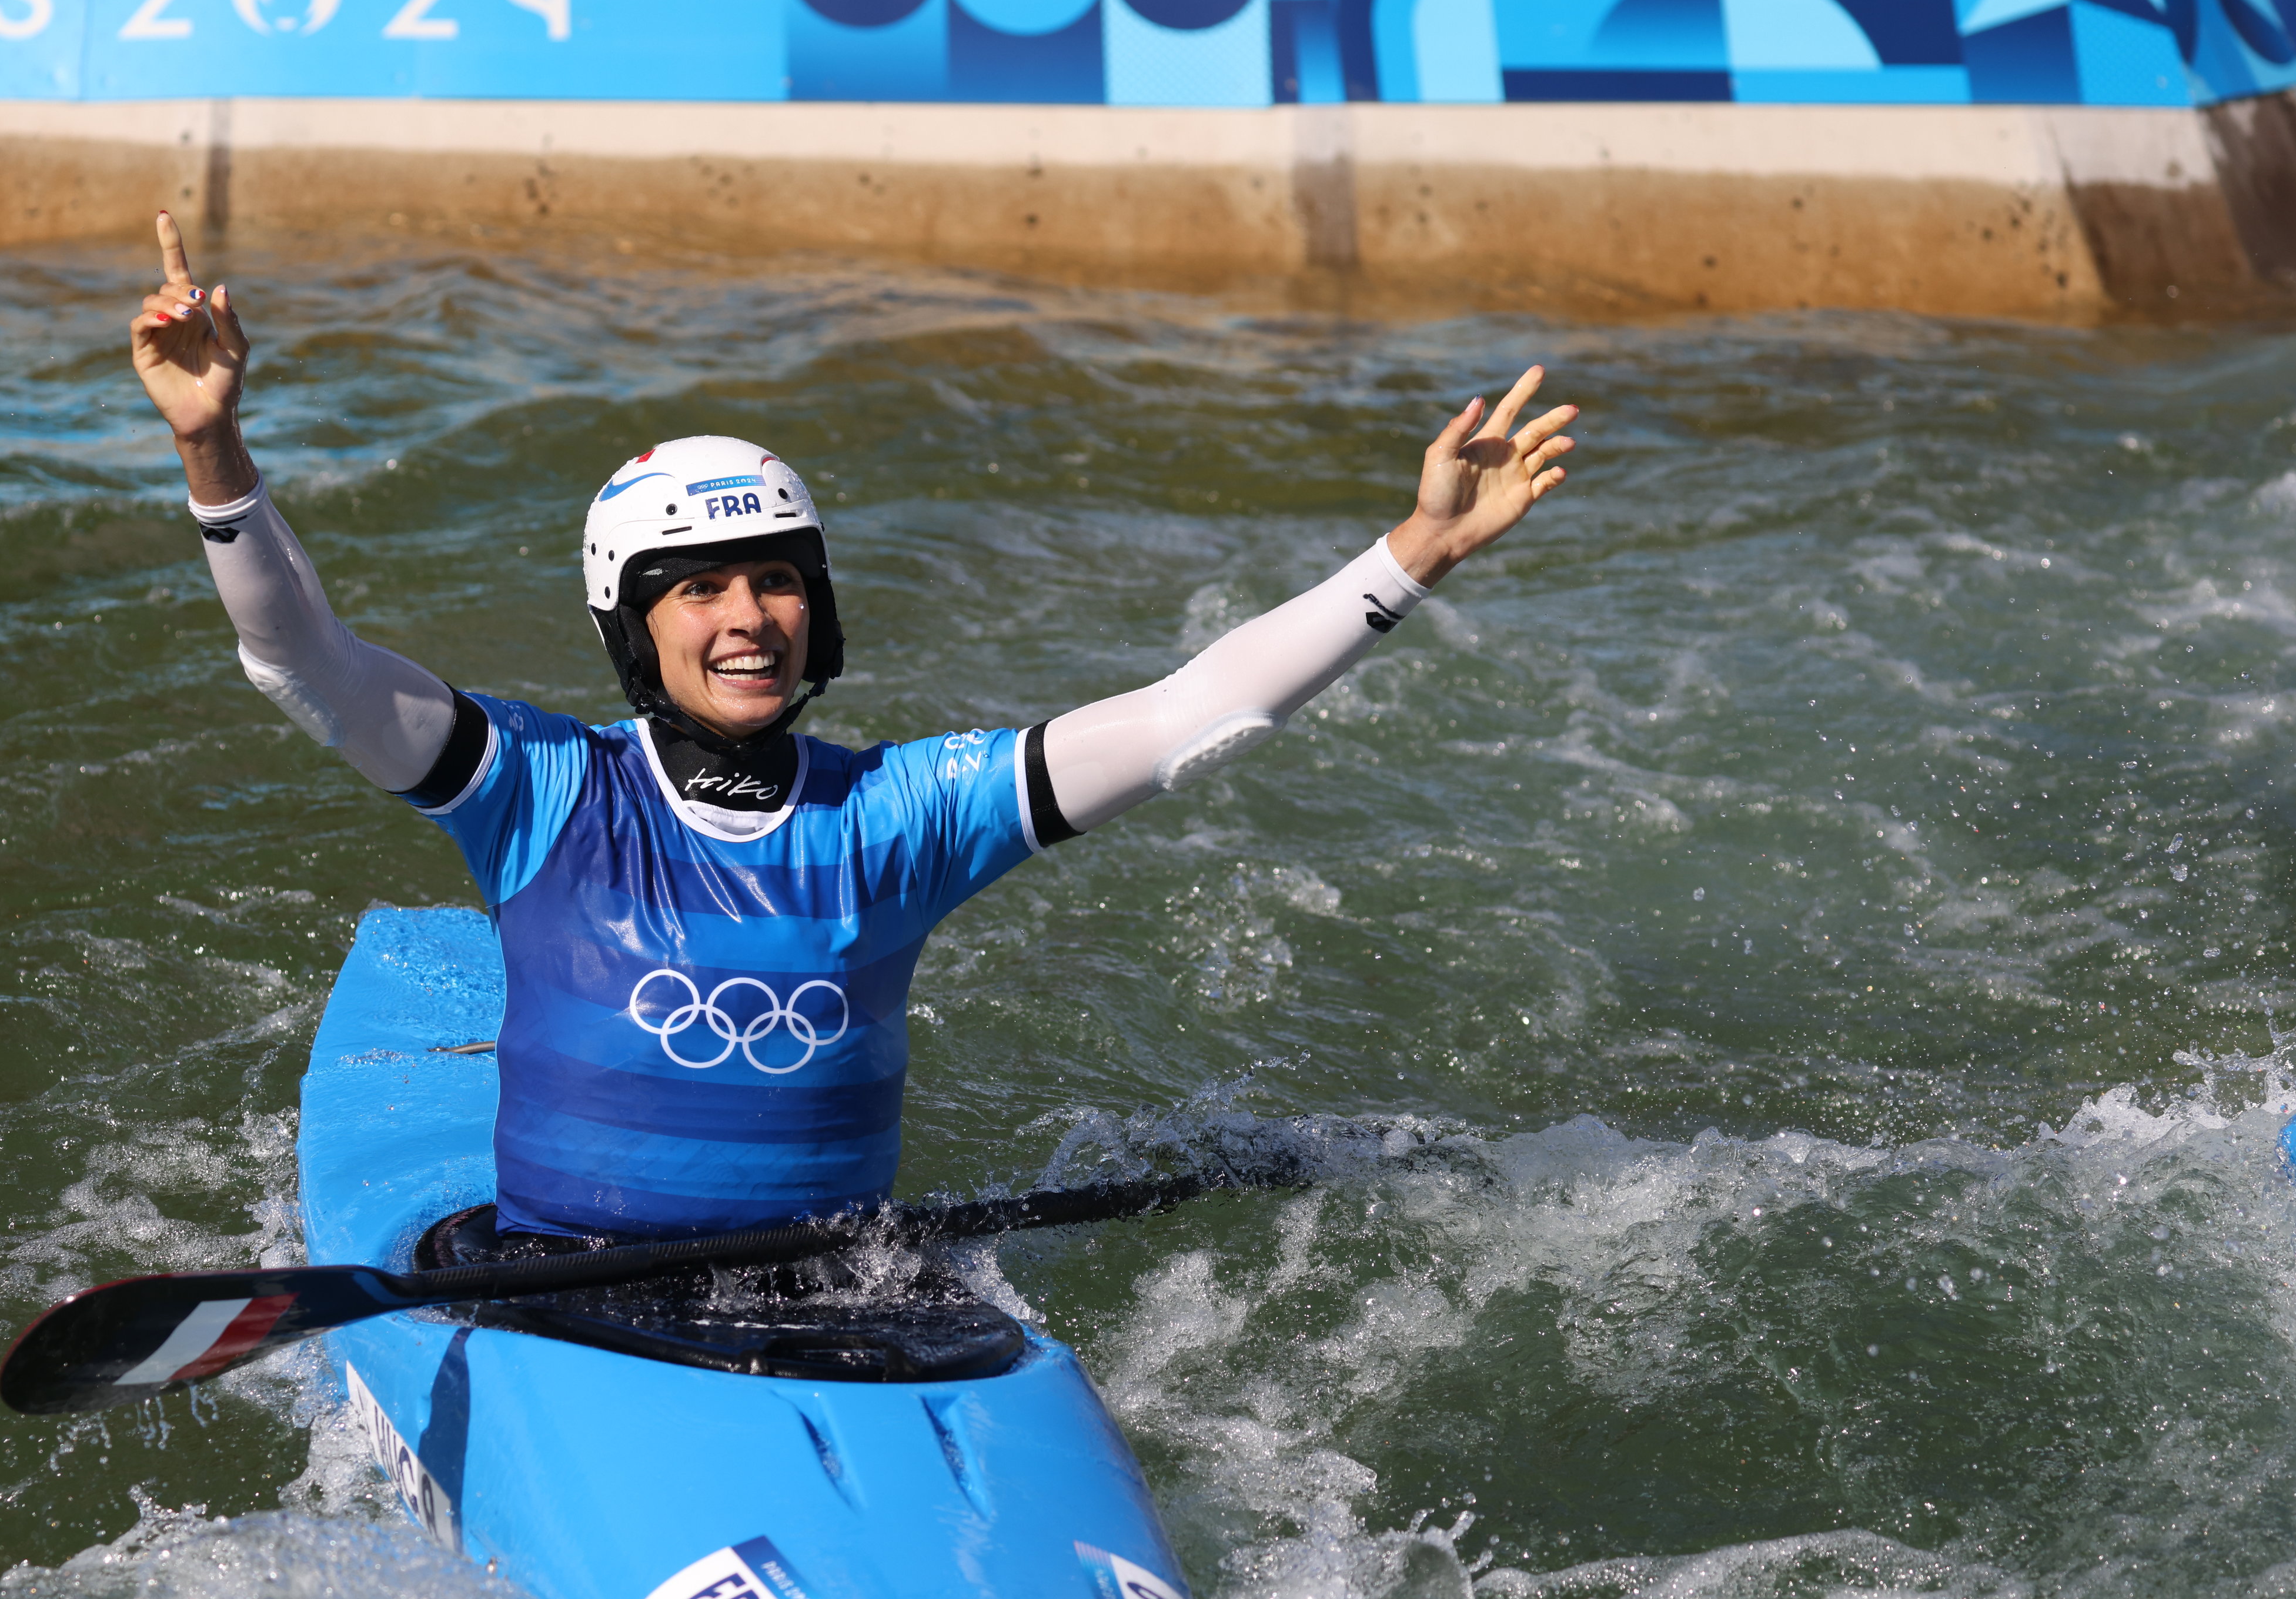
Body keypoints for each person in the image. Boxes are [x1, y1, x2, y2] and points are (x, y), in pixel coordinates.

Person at [129, 211, 1576, 1243]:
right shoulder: (541, 794)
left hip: (835, 1291)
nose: (746, 615)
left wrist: (1414, 554)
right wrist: (214, 447)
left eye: (775, 580)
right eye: (695, 591)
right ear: (635, 632)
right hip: (563, 1286)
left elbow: (1197, 711)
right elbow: (300, 658)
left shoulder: (901, 814)